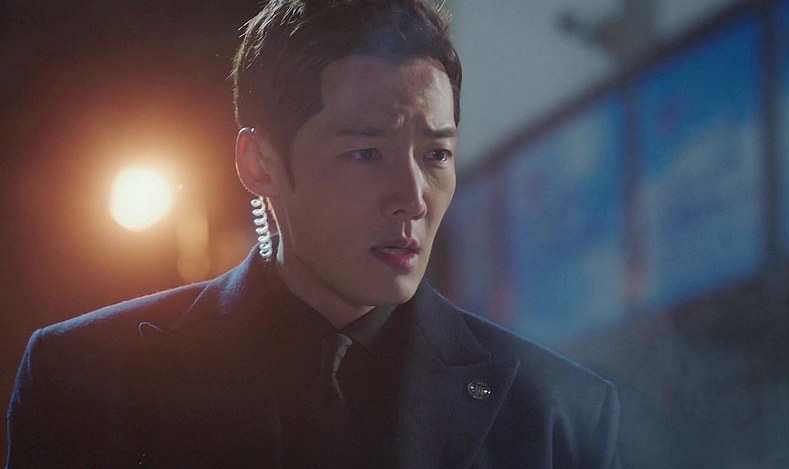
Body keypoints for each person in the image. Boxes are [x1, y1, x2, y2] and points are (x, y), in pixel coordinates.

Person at [6, 0, 621, 467]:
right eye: (365, 154)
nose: (411, 198)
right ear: (259, 164)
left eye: (436, 155)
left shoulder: (558, 412)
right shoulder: (87, 379)